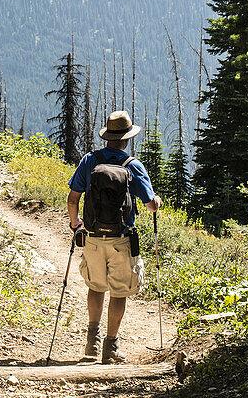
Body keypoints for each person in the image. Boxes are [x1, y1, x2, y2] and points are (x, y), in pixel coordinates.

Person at [67, 110, 162, 364]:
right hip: (121, 239)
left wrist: (76, 225)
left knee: (95, 287)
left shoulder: (90, 160)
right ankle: (111, 347)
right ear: (127, 138)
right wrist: (157, 201)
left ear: (108, 136)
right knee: (119, 292)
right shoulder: (133, 166)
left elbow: (73, 197)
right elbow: (150, 205)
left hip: (93, 237)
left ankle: (91, 343)